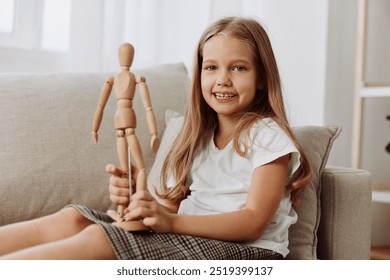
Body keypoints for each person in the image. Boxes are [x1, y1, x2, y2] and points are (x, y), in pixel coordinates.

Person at [0, 16, 312, 260]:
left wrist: (170, 224)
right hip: (190, 238)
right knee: (74, 220)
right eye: (212, 67)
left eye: (239, 68)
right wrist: (137, 200)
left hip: (250, 254)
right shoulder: (199, 136)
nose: (222, 80)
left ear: (261, 79)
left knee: (99, 239)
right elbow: (169, 207)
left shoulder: (268, 136)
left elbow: (253, 221)